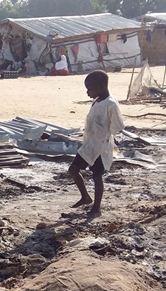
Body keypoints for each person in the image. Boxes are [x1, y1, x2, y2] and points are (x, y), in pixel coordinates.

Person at [69, 70, 124, 218]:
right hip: (89, 145)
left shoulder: (110, 104)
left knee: (96, 175)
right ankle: (85, 197)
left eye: (90, 89)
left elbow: (117, 126)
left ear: (100, 87)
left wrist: (107, 135)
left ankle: (96, 208)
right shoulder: (97, 101)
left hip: (101, 147)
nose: (87, 92)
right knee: (73, 169)